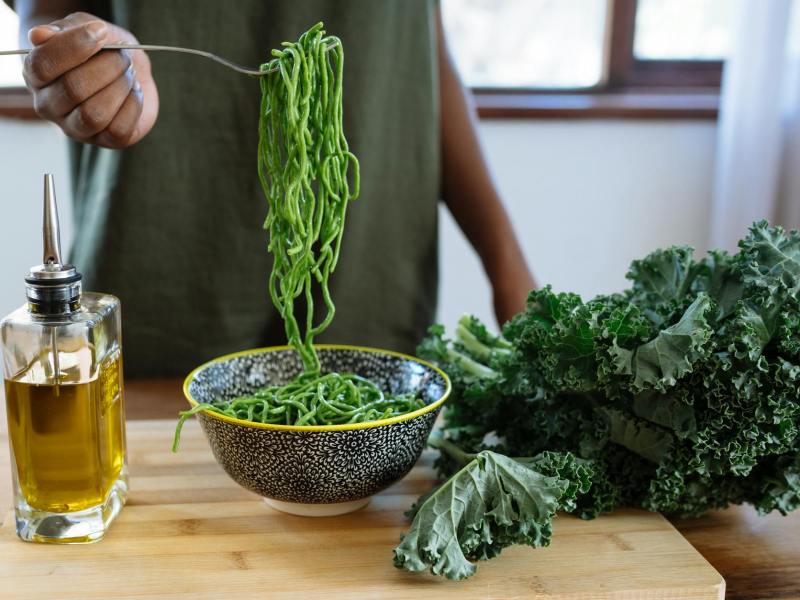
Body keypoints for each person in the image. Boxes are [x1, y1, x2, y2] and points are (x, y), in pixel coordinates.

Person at [11, 1, 535, 377]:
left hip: (371, 299)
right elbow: (48, 11)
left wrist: (508, 267)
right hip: (166, 290)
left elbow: (422, 40)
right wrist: (73, 53)